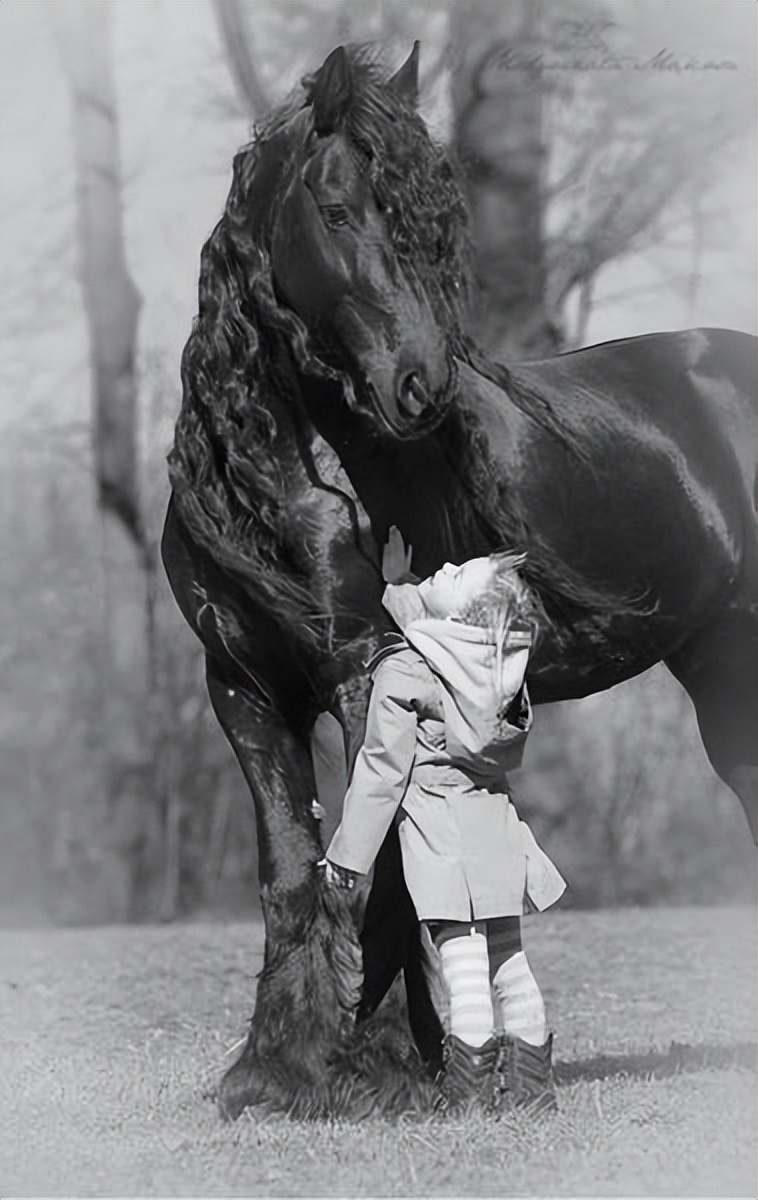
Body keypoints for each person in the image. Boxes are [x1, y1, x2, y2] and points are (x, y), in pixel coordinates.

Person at [321, 528, 566, 1114]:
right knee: (510, 964)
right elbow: (440, 635)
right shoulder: (499, 666)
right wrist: (398, 585)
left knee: (463, 972)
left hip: (441, 842)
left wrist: (347, 857)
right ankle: (533, 1094)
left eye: (455, 576)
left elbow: (380, 773)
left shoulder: (403, 672)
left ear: (455, 613)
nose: (448, 564)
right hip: (498, 834)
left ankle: (469, 1096)